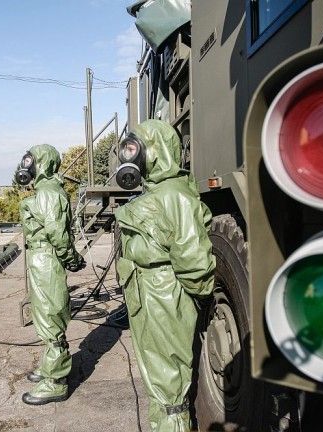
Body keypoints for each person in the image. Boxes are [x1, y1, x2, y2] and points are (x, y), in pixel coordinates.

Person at [114, 119, 216, 431]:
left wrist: (192, 298)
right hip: (151, 293)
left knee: (167, 376)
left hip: (162, 294)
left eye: (136, 148)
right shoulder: (161, 193)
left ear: (156, 151)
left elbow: (195, 263)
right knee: (158, 374)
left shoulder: (175, 197)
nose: (131, 155)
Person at [16, 144, 85, 405]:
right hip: (39, 257)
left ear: (43, 163)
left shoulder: (48, 192)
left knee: (51, 313)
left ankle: (55, 381)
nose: (27, 166)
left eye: (32, 160)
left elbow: (57, 233)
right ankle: (50, 366)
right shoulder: (44, 190)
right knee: (44, 313)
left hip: (46, 258)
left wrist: (72, 259)